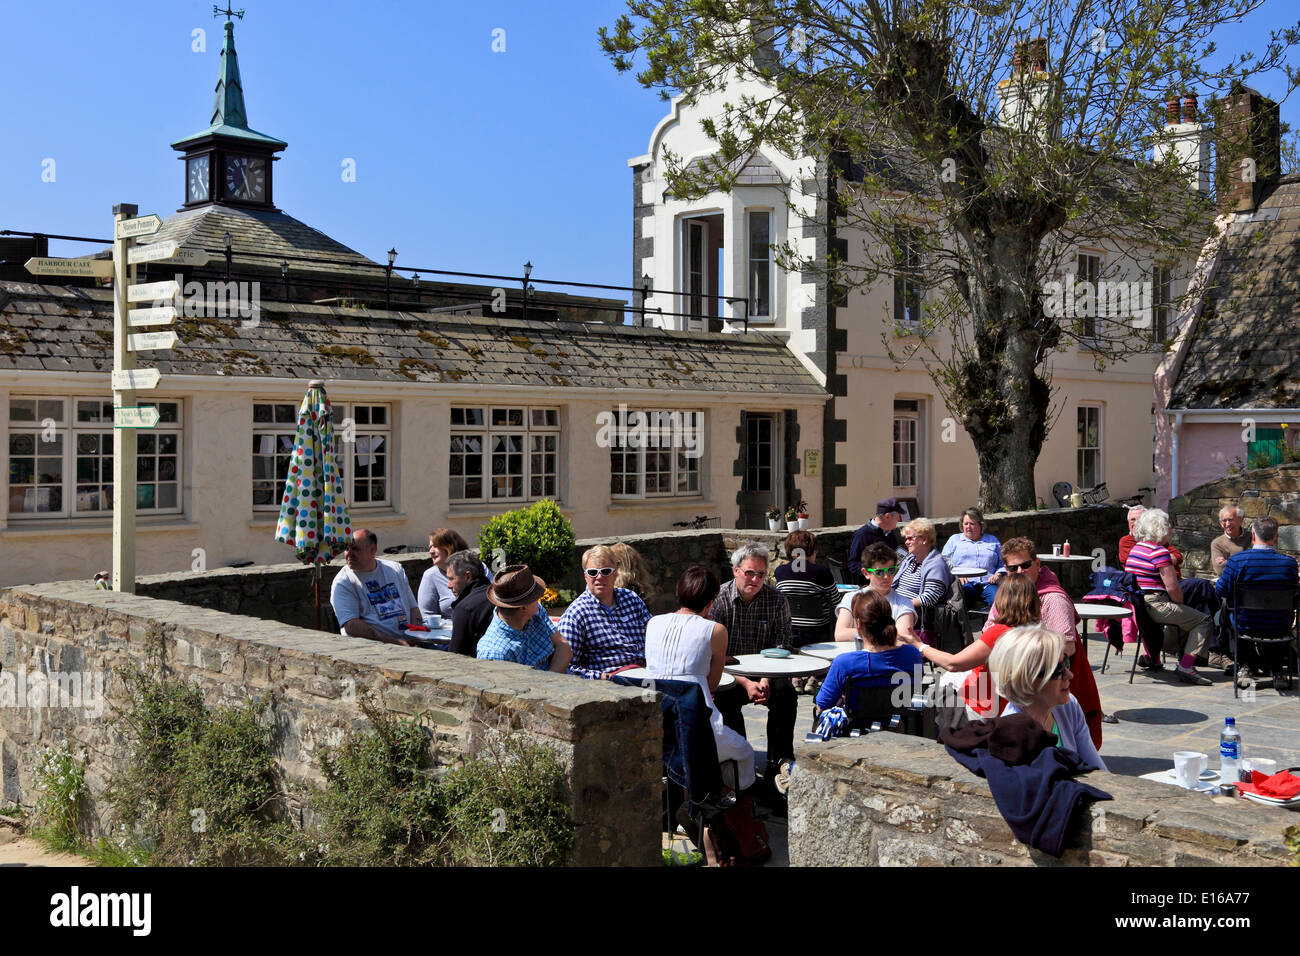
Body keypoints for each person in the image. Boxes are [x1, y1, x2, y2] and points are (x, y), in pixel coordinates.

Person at [644, 566, 757, 792]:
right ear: (712, 599)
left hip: (656, 723)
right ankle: (719, 804)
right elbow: (713, 684)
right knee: (744, 752)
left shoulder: (653, 623)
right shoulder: (715, 631)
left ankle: (695, 798)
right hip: (695, 726)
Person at [985, 537, 1104, 746]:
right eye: (1013, 568)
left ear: (1037, 564)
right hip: (1019, 684)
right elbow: (990, 631)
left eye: (1026, 565)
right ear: (1006, 569)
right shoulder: (1009, 593)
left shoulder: (1052, 599)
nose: (1020, 571)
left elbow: (1067, 647)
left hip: (1050, 686)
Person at [708, 543, 796, 793]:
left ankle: (779, 763)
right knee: (724, 699)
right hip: (730, 673)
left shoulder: (776, 599)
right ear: (736, 571)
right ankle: (740, 766)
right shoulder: (720, 600)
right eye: (749, 573)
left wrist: (767, 678)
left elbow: (782, 644)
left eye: (760, 574)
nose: (755, 579)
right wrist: (745, 683)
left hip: (766, 670)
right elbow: (715, 655)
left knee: (785, 695)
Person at [909, 574, 1040, 719]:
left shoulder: (999, 633)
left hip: (982, 710)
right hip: (1015, 708)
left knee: (928, 696)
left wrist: (920, 645)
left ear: (1003, 599)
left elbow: (953, 663)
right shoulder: (1038, 632)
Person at [989, 625, 1107, 772]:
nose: (1070, 675)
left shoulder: (1069, 706)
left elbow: (1097, 770)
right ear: (1026, 680)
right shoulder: (1011, 734)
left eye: (1067, 663)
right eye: (1057, 670)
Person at [1125, 508, 1213, 685]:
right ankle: (1186, 665)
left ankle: (1172, 652)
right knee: (1203, 620)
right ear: (1158, 529)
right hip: (1156, 604)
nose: (1170, 530)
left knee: (1187, 615)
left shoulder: (1136, 549)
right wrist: (1182, 603)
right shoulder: (1159, 553)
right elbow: (1173, 590)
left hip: (1138, 605)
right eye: (1167, 526)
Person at [1214, 515, 1299, 689]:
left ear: (1253, 536)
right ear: (1276, 537)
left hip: (1246, 624)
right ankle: (1277, 670)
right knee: (1271, 620)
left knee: (1234, 616)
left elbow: (1221, 590)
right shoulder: (1289, 564)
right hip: (1280, 625)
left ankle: (1245, 666)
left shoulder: (1237, 562)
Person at [815, 591, 924, 717]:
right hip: (899, 727)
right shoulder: (912, 655)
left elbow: (822, 706)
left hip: (856, 731)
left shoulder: (844, 663)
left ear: (859, 624)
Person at [558, 545, 652, 679]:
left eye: (606, 571)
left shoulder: (631, 598)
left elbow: (653, 634)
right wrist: (603, 677)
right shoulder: (576, 614)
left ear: (616, 574)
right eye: (592, 572)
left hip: (647, 671)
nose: (599, 577)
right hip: (612, 681)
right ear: (585, 576)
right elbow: (566, 667)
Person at [330, 528, 421, 645]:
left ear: (372, 550)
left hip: (408, 643)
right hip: (373, 648)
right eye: (346, 549)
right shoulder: (343, 581)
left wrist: (417, 637)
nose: (349, 554)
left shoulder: (395, 569)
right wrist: (396, 643)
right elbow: (351, 625)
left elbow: (413, 608)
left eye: (355, 549)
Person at [476, 565, 572, 672]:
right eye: (536, 596)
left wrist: (552, 678)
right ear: (523, 608)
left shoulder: (535, 611)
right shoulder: (495, 653)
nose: (539, 599)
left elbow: (563, 646)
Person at [833, 541, 917, 642]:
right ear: (866, 573)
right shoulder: (851, 598)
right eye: (879, 572)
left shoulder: (903, 603)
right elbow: (840, 634)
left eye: (891, 570)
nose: (886, 577)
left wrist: (860, 633)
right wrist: (886, 635)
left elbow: (903, 638)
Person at [773, 529, 839, 646]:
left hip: (789, 631)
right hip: (817, 633)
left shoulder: (779, 572)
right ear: (812, 550)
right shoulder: (822, 572)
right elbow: (836, 603)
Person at [894, 518, 954, 644]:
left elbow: (930, 597)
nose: (906, 542)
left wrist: (900, 604)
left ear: (925, 539)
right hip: (897, 609)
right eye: (905, 538)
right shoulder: (910, 560)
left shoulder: (936, 564)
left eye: (910, 538)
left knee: (910, 656)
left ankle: (915, 663)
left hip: (917, 617)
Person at [940, 507, 1002, 608]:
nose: (968, 527)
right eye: (966, 524)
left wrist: (998, 574)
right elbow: (943, 561)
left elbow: (1003, 562)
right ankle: (964, 623)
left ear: (981, 525)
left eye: (972, 524)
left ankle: (991, 621)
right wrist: (957, 575)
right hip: (966, 582)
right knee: (963, 599)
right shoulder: (955, 540)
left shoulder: (992, 540)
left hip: (988, 583)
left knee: (998, 601)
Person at [446, 549, 494, 657]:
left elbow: (456, 656)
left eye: (451, 579)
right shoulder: (496, 595)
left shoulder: (465, 609)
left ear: (468, 576)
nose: (448, 585)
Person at [419, 528, 473, 619]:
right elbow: (427, 617)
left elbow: (491, 598)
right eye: (430, 547)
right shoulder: (430, 575)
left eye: (435, 546)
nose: (431, 551)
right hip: (447, 631)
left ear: (450, 546)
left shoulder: (477, 567)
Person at [847, 498, 904, 577]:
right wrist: (876, 572)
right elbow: (853, 565)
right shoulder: (862, 535)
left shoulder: (889, 533)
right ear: (887, 516)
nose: (899, 520)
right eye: (898, 517)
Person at [1210, 504, 1253, 576]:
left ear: (1240, 520)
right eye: (1224, 520)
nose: (1227, 524)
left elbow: (1258, 563)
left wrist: (1228, 562)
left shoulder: (1252, 537)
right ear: (1221, 523)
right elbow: (1220, 570)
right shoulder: (1217, 543)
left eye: (1230, 520)